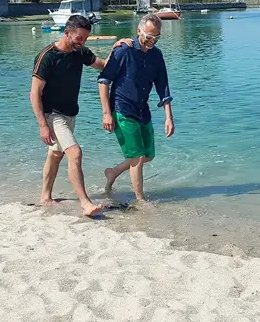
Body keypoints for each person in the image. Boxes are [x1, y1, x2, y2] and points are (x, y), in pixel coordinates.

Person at [30, 14, 131, 216]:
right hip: (52, 115)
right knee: (75, 153)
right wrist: (43, 125)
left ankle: (45, 197)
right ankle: (85, 203)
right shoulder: (47, 56)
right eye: (79, 38)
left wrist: (116, 48)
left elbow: (103, 65)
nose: (82, 42)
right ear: (67, 33)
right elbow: (34, 93)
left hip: (69, 114)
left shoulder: (80, 52)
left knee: (56, 155)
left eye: (85, 39)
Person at [97, 13, 175, 203]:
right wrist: (106, 113)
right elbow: (104, 80)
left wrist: (168, 117)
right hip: (122, 108)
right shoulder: (124, 50)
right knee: (138, 158)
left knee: (148, 155)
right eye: (149, 37)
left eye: (156, 37)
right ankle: (140, 200)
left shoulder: (157, 55)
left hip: (142, 110)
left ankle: (113, 172)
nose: (152, 41)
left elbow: (163, 85)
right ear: (139, 31)